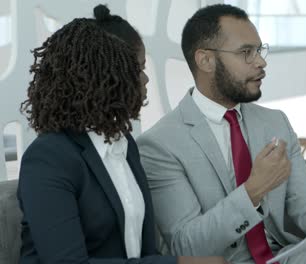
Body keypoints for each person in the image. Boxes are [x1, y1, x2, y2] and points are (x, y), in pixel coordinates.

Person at [137, 4, 306, 264]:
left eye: (259, 50)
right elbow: (188, 245)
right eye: (246, 53)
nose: (261, 62)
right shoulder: (160, 144)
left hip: (282, 255)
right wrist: (253, 191)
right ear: (205, 60)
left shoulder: (274, 122)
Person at [17, 5, 225, 264]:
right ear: (105, 76)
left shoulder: (124, 143)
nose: (146, 79)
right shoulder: (49, 158)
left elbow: (143, 252)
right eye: (138, 68)